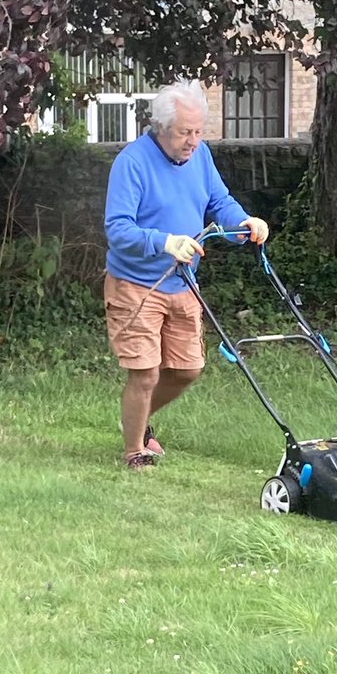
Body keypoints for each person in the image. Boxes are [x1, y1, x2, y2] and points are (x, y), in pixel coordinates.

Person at [104, 78, 269, 469]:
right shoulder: (132, 162)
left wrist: (245, 223)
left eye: (198, 132)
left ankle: (139, 419)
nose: (193, 141)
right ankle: (134, 451)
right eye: (184, 133)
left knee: (187, 369)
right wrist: (165, 242)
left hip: (184, 284)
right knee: (144, 374)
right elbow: (118, 229)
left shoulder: (201, 157)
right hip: (137, 285)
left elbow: (219, 201)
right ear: (162, 128)